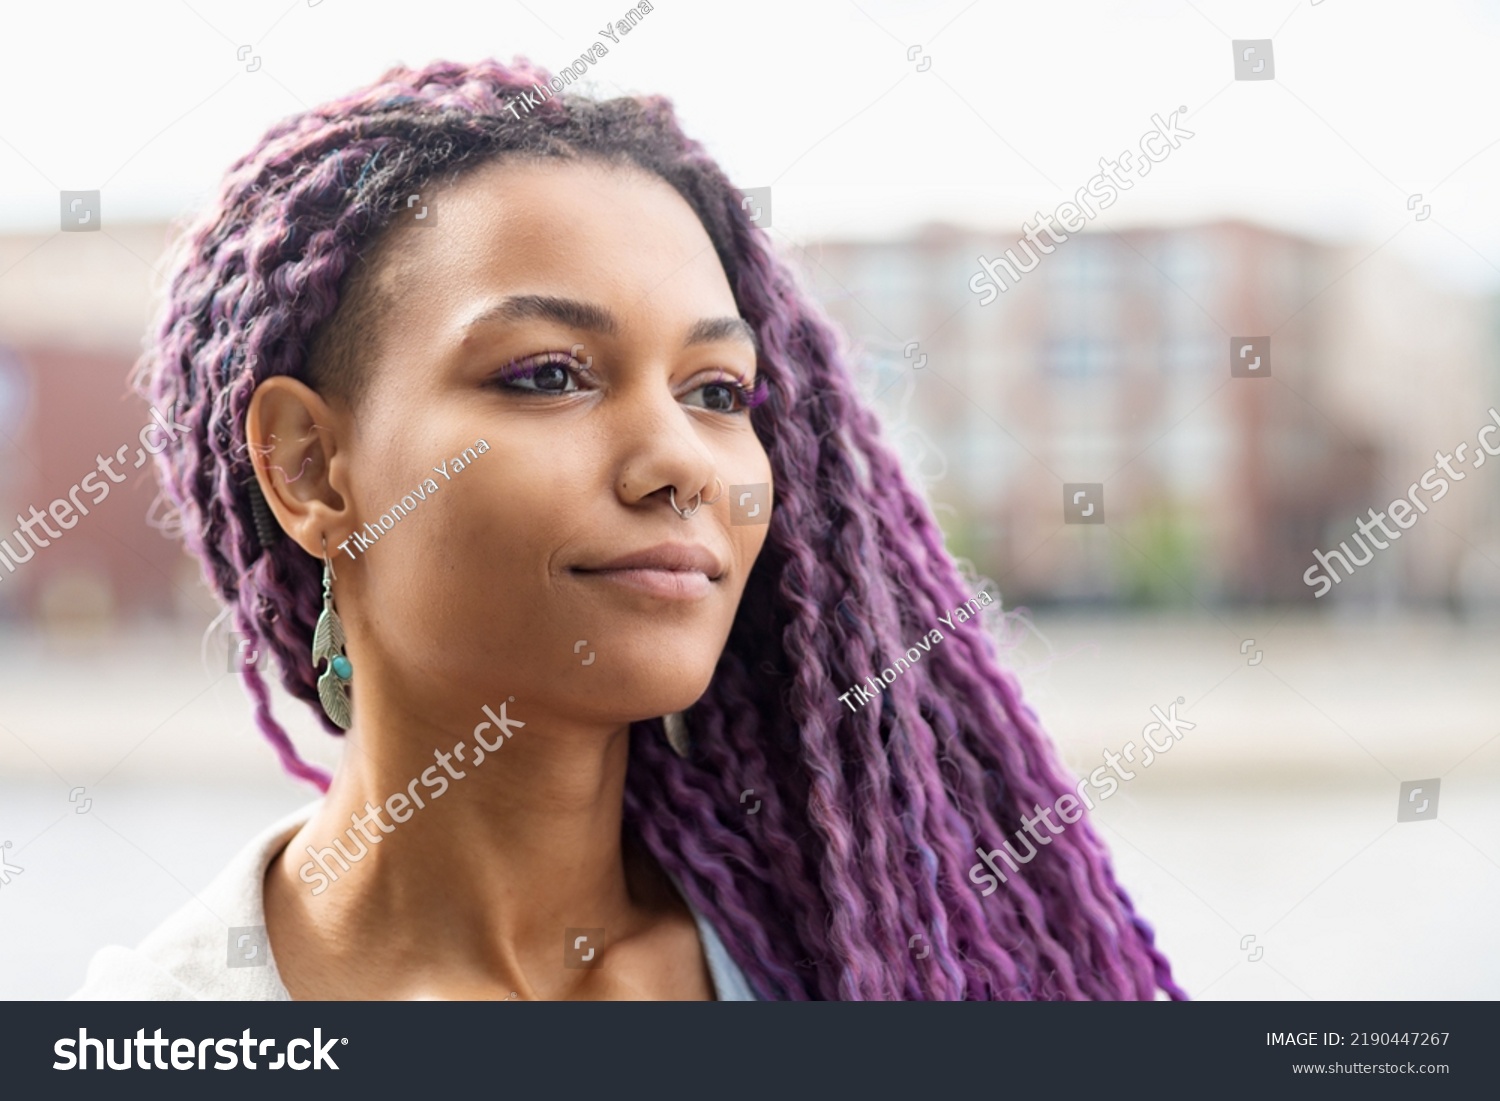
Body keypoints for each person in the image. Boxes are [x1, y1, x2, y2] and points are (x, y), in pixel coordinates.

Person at [74, 57, 1184, 1001]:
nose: (678, 464)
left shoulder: (893, 966)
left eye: (716, 393)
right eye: (549, 375)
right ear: (313, 470)